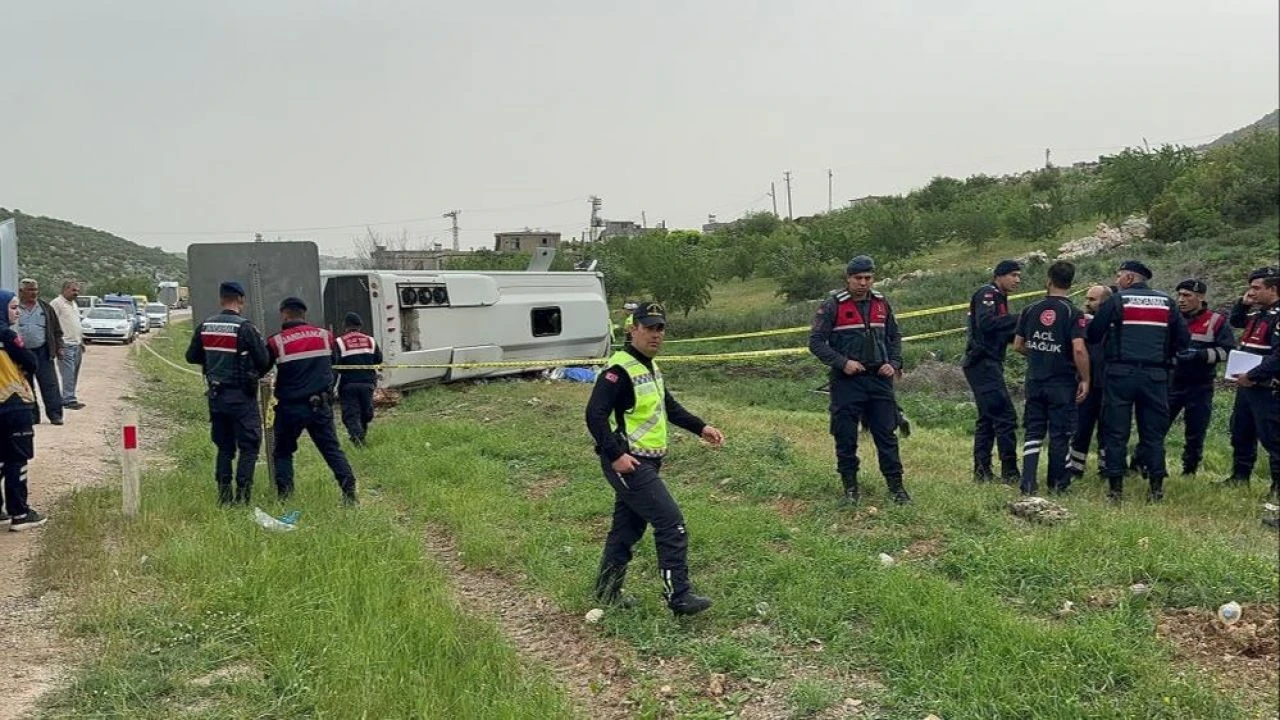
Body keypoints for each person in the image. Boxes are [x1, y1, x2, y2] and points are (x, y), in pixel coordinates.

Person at [585, 301, 724, 616]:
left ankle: (606, 593)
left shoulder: (648, 365)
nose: (656, 334)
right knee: (671, 522)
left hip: (646, 461)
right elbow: (594, 415)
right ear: (633, 329)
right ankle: (680, 596)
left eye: (660, 328)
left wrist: (701, 427)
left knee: (625, 531)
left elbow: (669, 407)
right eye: (649, 327)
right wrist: (616, 454)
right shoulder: (619, 370)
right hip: (629, 462)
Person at [808, 255, 910, 505]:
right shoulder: (833, 305)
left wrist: (893, 363)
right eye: (858, 278)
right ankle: (850, 488)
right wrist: (843, 362)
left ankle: (896, 487)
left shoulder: (881, 303)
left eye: (868, 278)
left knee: (886, 434)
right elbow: (816, 343)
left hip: (879, 379)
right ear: (848, 279)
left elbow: (894, 337)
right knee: (845, 435)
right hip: (847, 381)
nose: (863, 283)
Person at [1087, 260, 1190, 502]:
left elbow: (1093, 334)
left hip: (1120, 374)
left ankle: (1115, 490)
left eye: (1119, 276)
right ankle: (1155, 489)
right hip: (1156, 376)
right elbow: (1183, 341)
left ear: (1130, 278)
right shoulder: (1167, 302)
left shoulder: (1117, 300)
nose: (1116, 281)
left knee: (1116, 431)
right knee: (1153, 433)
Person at [185, 281, 272, 505]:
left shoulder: (205, 326)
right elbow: (264, 362)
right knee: (249, 446)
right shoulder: (245, 328)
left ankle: (224, 496)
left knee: (224, 448)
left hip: (216, 396)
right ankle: (243, 497)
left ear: (221, 299)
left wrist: (212, 360)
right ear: (241, 301)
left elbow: (191, 356)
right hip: (242, 397)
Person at [266, 297, 358, 504]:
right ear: (303, 314)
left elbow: (263, 366)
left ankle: (285, 498)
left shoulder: (277, 341)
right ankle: (349, 493)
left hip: (290, 408)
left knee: (282, 452)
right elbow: (333, 362)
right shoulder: (326, 336)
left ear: (284, 313)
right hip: (320, 405)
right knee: (332, 450)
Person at [1013, 261, 1089, 496]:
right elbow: (1078, 349)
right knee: (1060, 433)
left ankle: (1027, 482)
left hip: (1035, 380)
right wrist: (1085, 378)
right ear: (1071, 283)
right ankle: (1058, 485)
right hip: (1062, 382)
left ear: (1048, 280)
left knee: (1033, 431)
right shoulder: (1073, 313)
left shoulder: (1030, 309)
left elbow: (1018, 345)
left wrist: (1038, 353)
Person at [1221, 266, 1280, 499]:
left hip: (1266, 388)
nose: (1251, 292)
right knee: (1241, 431)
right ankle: (1239, 476)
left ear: (1273, 289)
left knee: (1272, 438)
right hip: (1246, 386)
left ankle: (1277, 487)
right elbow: (1236, 321)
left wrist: (1253, 375)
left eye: (1256, 288)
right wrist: (1243, 303)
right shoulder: (1257, 314)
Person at [962, 260, 1023, 483]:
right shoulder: (988, 294)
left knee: (987, 418)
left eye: (1019, 276)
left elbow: (999, 332)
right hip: (982, 363)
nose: (1017, 280)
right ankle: (1010, 472)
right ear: (999, 276)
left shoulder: (1000, 297)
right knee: (1005, 416)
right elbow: (987, 324)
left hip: (990, 362)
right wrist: (1021, 318)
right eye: (1013, 275)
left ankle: (982, 471)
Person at [1169, 279, 1235, 476]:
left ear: (1200, 297)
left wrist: (1201, 355)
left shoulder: (1217, 321)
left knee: (1196, 431)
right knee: (1156, 425)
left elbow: (1228, 352)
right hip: (1172, 381)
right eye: (1179, 295)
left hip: (1200, 384)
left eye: (1187, 296)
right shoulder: (1171, 319)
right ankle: (1140, 463)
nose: (1181, 300)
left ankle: (1189, 470)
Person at [0, 289, 47, 530]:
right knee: (17, 460)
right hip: (14, 404)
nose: (17, 312)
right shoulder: (7, 336)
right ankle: (20, 513)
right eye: (12, 307)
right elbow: (31, 362)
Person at [1067, 285, 1110, 478]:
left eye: (1092, 299)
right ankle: (1075, 468)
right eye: (1087, 298)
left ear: (1106, 301)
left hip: (1109, 384)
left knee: (1109, 429)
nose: (1087, 303)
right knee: (1081, 428)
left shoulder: (1116, 323)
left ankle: (1107, 467)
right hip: (1086, 384)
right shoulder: (1081, 322)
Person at [16, 279, 63, 426]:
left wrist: (59, 347)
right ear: (21, 291)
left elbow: (56, 330)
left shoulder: (45, 308)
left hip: (43, 351)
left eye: (35, 289)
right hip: (22, 353)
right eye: (30, 290)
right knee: (27, 385)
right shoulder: (14, 308)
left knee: (50, 385)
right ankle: (32, 416)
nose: (34, 293)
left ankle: (55, 415)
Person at [333, 312, 382, 446]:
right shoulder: (370, 340)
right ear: (360, 326)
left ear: (345, 326)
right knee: (365, 412)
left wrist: (330, 387)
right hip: (368, 383)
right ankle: (360, 437)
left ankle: (358, 437)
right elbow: (379, 359)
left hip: (349, 384)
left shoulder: (339, 342)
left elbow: (335, 365)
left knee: (351, 413)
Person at [48, 280, 86, 410]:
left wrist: (81, 341)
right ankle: (68, 399)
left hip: (76, 344)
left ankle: (69, 397)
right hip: (65, 344)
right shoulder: (56, 304)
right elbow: (51, 325)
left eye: (77, 290)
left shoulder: (73, 304)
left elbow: (75, 324)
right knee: (68, 373)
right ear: (65, 289)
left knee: (74, 373)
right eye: (74, 290)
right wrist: (58, 346)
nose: (76, 293)